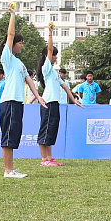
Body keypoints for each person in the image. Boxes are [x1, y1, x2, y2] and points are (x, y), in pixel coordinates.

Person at [0, 3, 44, 178]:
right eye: (20, 42)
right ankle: (8, 171)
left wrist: (38, 96)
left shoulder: (19, 62)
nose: (22, 45)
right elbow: (10, 35)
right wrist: (13, 15)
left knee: (14, 135)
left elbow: (28, 79)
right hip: (9, 101)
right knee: (8, 136)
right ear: (12, 44)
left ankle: (10, 169)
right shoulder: (7, 58)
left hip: (17, 102)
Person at [37, 23, 83, 166]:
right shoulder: (46, 67)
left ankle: (50, 158)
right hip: (48, 103)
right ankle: (44, 160)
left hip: (55, 103)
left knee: (51, 131)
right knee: (45, 130)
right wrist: (50, 32)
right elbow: (50, 48)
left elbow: (64, 86)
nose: (55, 57)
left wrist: (73, 99)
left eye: (56, 55)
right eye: (54, 55)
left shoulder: (54, 72)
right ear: (47, 55)